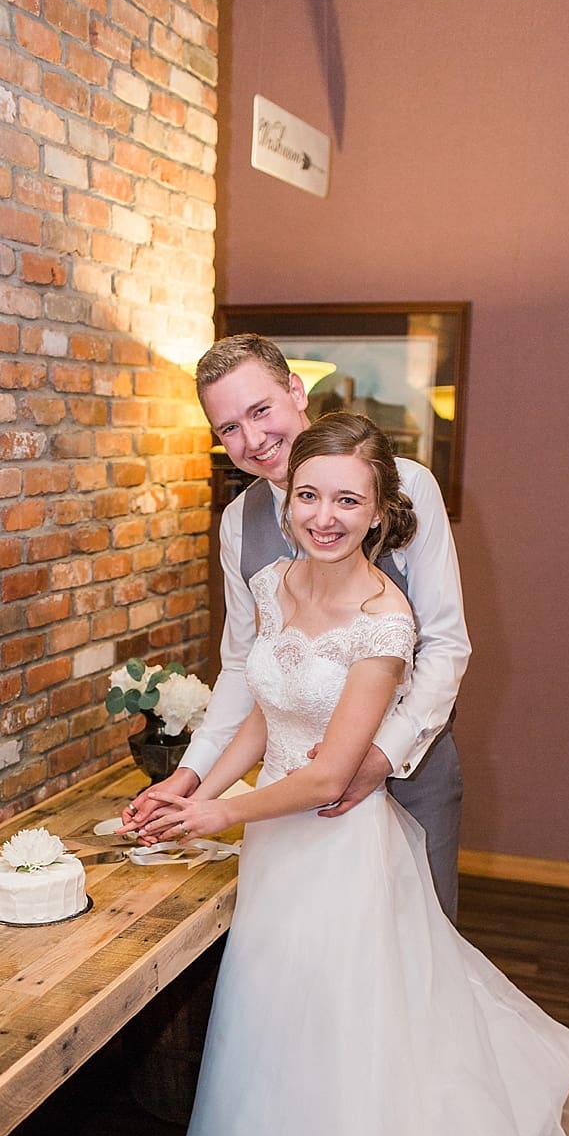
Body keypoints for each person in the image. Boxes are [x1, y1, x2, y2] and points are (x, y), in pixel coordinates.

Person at [127, 413, 569, 1136]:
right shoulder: (269, 586)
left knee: (344, 1064)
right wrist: (189, 787)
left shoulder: (386, 617)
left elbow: (329, 772)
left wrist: (220, 811)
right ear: (285, 494)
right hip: (275, 860)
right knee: (268, 1056)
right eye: (309, 494)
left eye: (348, 499)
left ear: (382, 511)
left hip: (339, 859)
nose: (324, 515)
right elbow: (261, 713)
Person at [123, 334, 471, 917]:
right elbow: (243, 666)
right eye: (228, 427)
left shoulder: (407, 486)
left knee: (409, 968)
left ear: (295, 390)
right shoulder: (240, 522)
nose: (252, 440)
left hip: (412, 774)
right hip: (285, 803)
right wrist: (189, 778)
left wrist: (377, 760)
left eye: (260, 410)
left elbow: (445, 646)